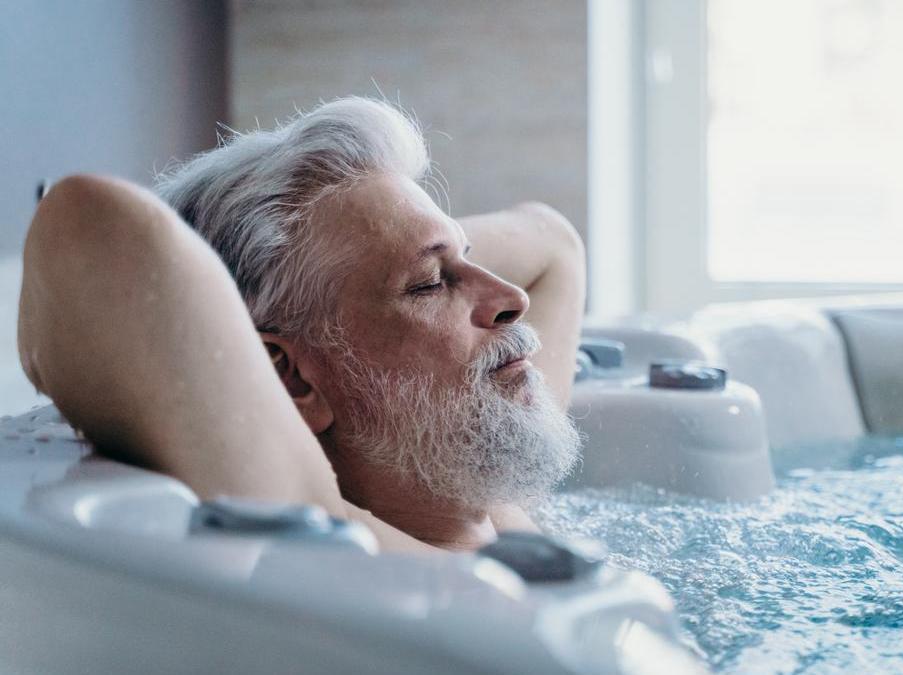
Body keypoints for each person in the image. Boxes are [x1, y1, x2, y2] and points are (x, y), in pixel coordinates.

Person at [18, 97, 586, 553]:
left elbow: (555, 246)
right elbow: (88, 224)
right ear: (291, 378)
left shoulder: (486, 483)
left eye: (468, 257)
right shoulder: (331, 536)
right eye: (428, 284)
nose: (511, 298)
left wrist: (393, 240)